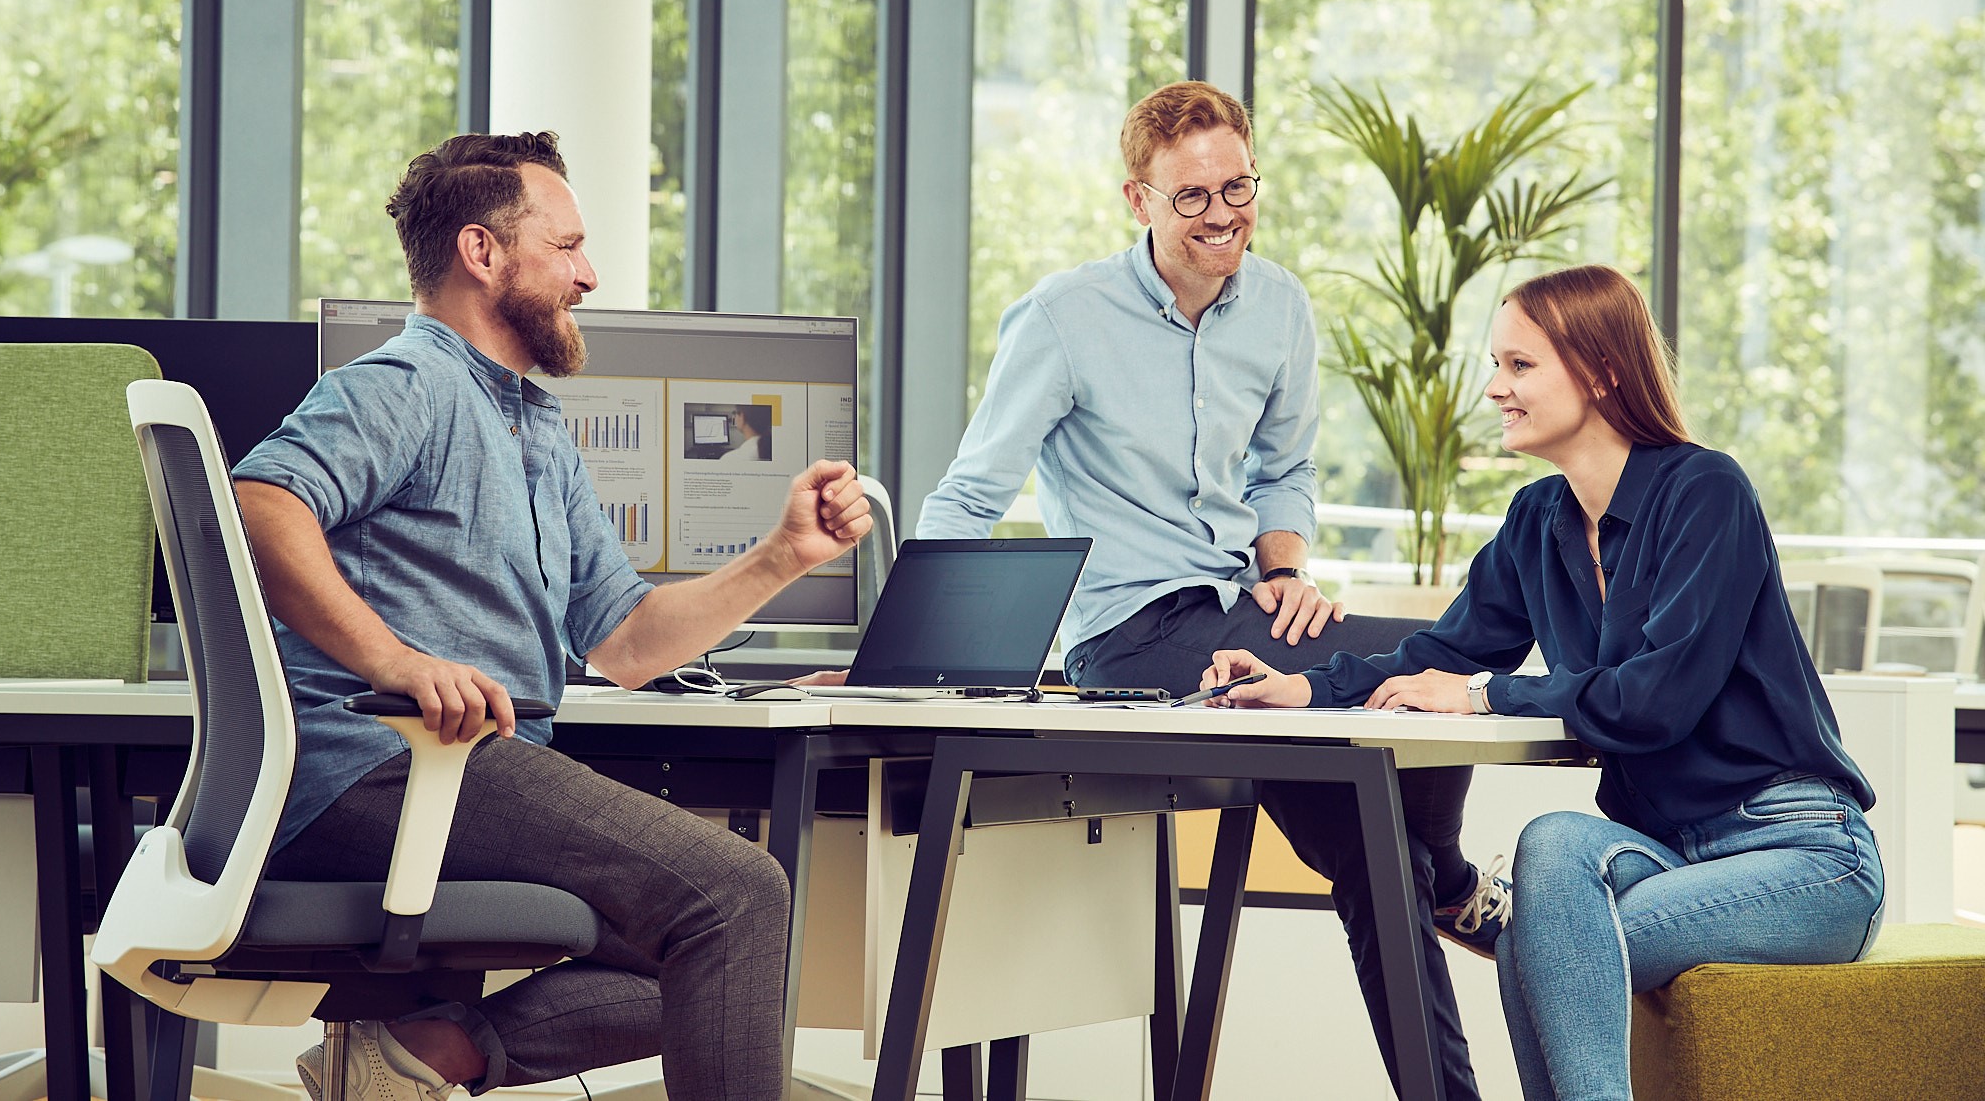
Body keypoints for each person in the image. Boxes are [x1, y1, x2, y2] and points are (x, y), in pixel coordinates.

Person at [233, 131, 871, 1101]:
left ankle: (414, 1059)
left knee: (737, 941)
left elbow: (627, 642)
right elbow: (258, 503)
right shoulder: (408, 384)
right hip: (379, 769)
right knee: (739, 894)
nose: (589, 274)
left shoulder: (536, 427)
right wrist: (397, 661)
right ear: (482, 252)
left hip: (463, 771)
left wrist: (783, 555)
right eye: (566, 246)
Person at [915, 80, 1502, 1100]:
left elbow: (1283, 470)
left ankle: (1439, 970)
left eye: (1237, 188)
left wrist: (1285, 574)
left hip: (1242, 621)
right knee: (1426, 670)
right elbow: (970, 494)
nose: (1221, 214)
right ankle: (1456, 880)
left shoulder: (1277, 305)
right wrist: (905, 657)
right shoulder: (1062, 317)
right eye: (1191, 196)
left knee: (1378, 851)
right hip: (1130, 638)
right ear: (1138, 199)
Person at [1200, 263, 1885, 1101]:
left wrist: (1484, 694)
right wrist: (1303, 687)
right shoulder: (1537, 520)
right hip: (1665, 850)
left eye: (1519, 365)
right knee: (1553, 840)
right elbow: (1442, 651)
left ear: (1601, 372)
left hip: (1804, 853)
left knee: (1539, 943)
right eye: (1498, 364)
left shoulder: (1706, 492)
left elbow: (1654, 701)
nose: (1496, 387)